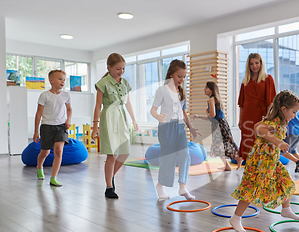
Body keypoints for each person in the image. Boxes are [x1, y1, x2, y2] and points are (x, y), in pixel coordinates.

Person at [230, 90, 299, 232]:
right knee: (251, 189)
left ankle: (286, 209)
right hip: (260, 162)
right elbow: (259, 128)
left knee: (286, 181)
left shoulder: (281, 123)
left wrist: (296, 160)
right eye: (294, 112)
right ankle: (236, 217)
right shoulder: (274, 122)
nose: (295, 116)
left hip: (272, 161)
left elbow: (280, 149)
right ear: (284, 109)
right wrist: (277, 141)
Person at [150, 59, 201, 200]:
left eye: (184, 77)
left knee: (185, 155)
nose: (182, 79)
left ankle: (183, 187)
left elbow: (184, 113)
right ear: (171, 74)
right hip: (166, 128)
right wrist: (158, 117)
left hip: (179, 128)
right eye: (179, 76)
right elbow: (152, 110)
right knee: (168, 159)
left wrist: (191, 128)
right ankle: (160, 185)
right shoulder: (162, 90)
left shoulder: (181, 92)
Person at [92, 53, 138, 199]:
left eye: (123, 69)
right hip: (108, 118)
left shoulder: (125, 83)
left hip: (121, 117)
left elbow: (128, 103)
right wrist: (95, 126)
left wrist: (134, 120)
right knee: (111, 154)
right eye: (118, 69)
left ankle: (110, 176)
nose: (121, 72)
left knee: (125, 152)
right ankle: (109, 187)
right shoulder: (103, 83)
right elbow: (98, 105)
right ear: (109, 67)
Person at [33, 69, 72, 187]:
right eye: (60, 79)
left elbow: (69, 109)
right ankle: (39, 167)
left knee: (59, 151)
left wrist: (68, 120)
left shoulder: (66, 95)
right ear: (51, 81)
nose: (63, 82)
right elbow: (38, 113)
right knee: (45, 153)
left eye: (64, 80)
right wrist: (36, 132)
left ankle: (53, 178)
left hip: (61, 127)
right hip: (47, 126)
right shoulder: (44, 95)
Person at [192, 81, 243, 171]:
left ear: (211, 90)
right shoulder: (213, 99)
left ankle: (238, 158)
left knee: (222, 145)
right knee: (219, 146)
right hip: (218, 124)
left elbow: (212, 115)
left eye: (206, 88)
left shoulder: (211, 99)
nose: (204, 89)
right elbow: (211, 118)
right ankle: (227, 165)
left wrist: (207, 113)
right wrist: (199, 116)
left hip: (220, 125)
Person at [238, 53, 276, 162]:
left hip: (261, 115)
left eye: (256, 63)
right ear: (248, 66)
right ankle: (250, 169)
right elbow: (241, 104)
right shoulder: (245, 82)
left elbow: (271, 102)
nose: (254, 66)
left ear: (261, 63)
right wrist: (240, 120)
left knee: (261, 141)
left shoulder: (268, 78)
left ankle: (261, 171)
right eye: (251, 64)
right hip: (247, 116)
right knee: (248, 141)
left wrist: (267, 118)